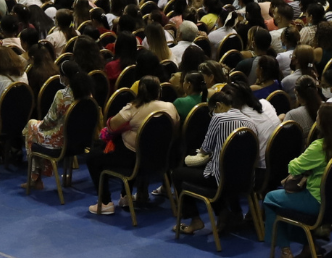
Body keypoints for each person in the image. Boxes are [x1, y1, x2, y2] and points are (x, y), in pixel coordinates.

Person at [176, 86, 278, 234]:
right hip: (246, 179)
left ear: (218, 106)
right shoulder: (249, 121)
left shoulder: (218, 118)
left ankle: (196, 220)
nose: (212, 115)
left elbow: (205, 150)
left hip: (220, 180)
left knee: (178, 173)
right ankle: (227, 213)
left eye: (212, 112)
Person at [261, 103, 332, 258]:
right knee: (288, 202)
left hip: (317, 201)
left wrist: (302, 160)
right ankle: (309, 245)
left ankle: (285, 250)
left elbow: (293, 168)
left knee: (270, 199)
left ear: (322, 122)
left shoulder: (319, 146)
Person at [87, 76, 178, 216]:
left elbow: (111, 126)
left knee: (93, 157)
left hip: (136, 161)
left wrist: (128, 126)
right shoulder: (170, 107)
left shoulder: (133, 108)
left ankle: (105, 203)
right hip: (160, 160)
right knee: (129, 148)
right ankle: (125, 197)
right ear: (159, 91)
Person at [23, 60, 90, 189]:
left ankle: (35, 178)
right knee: (34, 129)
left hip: (60, 141)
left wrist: (39, 126)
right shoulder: (88, 94)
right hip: (80, 139)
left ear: (65, 77)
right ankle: (37, 176)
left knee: (31, 126)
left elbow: (49, 121)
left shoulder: (62, 95)